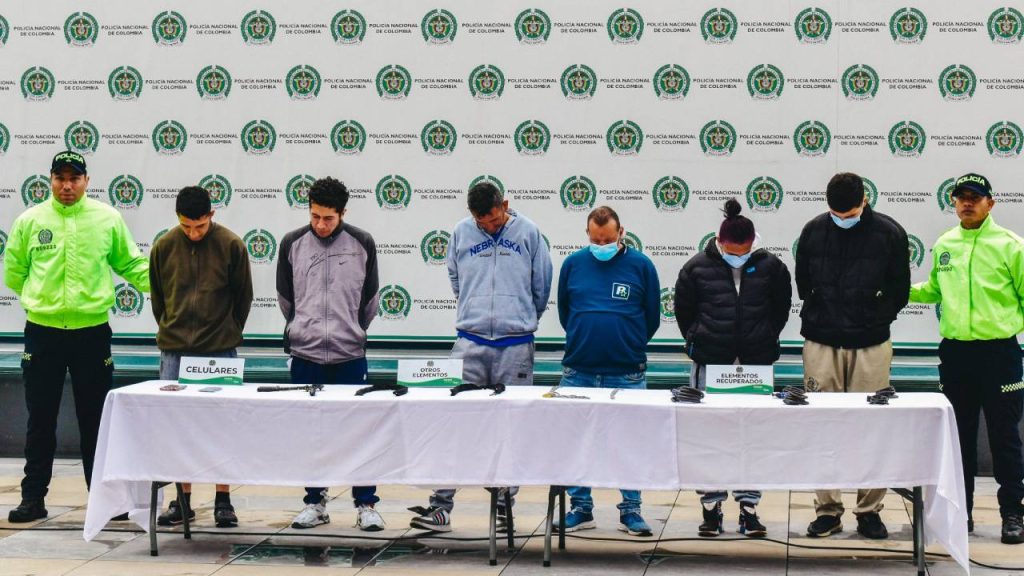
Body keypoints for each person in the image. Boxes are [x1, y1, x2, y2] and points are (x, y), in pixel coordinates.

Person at [3, 151, 150, 523]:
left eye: (74, 178)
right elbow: (14, 273)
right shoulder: (30, 220)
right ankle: (32, 499)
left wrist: (169, 285)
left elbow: (131, 264)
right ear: (50, 180)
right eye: (60, 178)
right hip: (43, 333)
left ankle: (105, 501)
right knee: (40, 420)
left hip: (91, 334)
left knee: (95, 419)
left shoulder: (107, 219)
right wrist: (45, 302)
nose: (67, 186)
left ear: (87, 180)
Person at [409, 181, 553, 533]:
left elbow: (541, 285)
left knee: (510, 429)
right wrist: (473, 312)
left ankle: (504, 508)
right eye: (480, 222)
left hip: (515, 345)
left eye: (492, 220)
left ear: (504, 204)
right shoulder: (461, 233)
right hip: (469, 343)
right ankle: (441, 508)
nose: (487, 227)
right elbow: (456, 280)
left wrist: (517, 318)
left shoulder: (530, 233)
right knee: (453, 426)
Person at [909, 173, 1024, 544]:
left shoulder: (1011, 246)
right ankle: (962, 515)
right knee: (958, 438)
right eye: (961, 198)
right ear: (954, 203)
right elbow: (932, 291)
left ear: (991, 203)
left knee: (1005, 437)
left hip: (1000, 353)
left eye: (976, 197)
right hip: (957, 354)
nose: (967, 203)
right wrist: (896, 288)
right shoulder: (945, 244)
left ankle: (1012, 515)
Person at [795, 172, 910, 540]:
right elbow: (803, 283)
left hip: (871, 343)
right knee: (820, 423)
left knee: (873, 426)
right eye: (835, 213)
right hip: (822, 341)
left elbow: (900, 290)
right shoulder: (813, 231)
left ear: (864, 201)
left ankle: (869, 510)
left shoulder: (889, 233)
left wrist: (875, 317)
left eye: (848, 212)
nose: (842, 218)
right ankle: (827, 510)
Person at [674, 198, 792, 538]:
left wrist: (764, 337)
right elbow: (685, 312)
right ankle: (711, 507)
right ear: (719, 242)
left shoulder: (772, 267)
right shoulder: (696, 267)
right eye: (731, 250)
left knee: (751, 436)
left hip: (755, 363)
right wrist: (699, 338)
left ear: (754, 242)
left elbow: (780, 310)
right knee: (708, 437)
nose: (737, 255)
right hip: (711, 363)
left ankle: (749, 508)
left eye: (744, 249)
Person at [276, 176, 384, 531]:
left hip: (349, 354)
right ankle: (315, 503)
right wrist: (304, 329)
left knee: (360, 432)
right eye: (315, 216)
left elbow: (368, 302)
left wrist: (347, 330)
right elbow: (286, 300)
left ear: (343, 213)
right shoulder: (292, 243)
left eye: (329, 218)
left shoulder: (362, 243)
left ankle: (366, 504)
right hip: (305, 355)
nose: (321, 225)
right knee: (312, 434)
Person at [553, 206, 660, 537]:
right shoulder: (573, 265)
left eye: (608, 239)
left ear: (620, 233)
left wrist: (626, 341)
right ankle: (580, 509)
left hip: (626, 372)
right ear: (587, 234)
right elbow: (565, 312)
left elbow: (652, 316)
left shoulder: (641, 266)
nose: (602, 244)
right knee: (574, 442)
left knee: (629, 443)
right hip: (578, 370)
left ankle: (631, 511)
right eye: (596, 239)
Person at [150, 186, 253, 528]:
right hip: (175, 351)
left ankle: (224, 499)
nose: (193, 233)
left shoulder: (231, 245)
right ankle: (183, 500)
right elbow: (159, 300)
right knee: (177, 429)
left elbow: (243, 298)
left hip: (219, 350)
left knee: (221, 427)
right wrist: (173, 330)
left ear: (212, 215)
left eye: (200, 226)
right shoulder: (164, 246)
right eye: (186, 226)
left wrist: (226, 331)